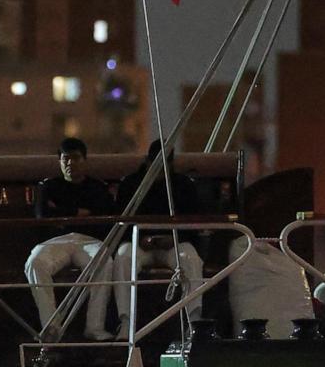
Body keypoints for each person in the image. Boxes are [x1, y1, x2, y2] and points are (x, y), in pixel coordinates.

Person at [26, 137, 116, 341]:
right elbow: (43, 215)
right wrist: (79, 212)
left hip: (89, 240)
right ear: (59, 161)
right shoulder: (48, 186)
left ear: (85, 160)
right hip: (56, 241)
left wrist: (61, 212)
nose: (70, 163)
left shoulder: (97, 187)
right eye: (65, 158)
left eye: (75, 158)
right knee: (35, 263)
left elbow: (104, 216)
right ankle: (51, 326)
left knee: (104, 262)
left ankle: (95, 327)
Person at [113, 140, 204, 339]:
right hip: (139, 243)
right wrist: (139, 239)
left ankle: (195, 322)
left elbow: (194, 221)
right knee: (123, 257)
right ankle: (126, 321)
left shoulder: (183, 185)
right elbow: (120, 221)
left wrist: (175, 237)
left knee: (191, 259)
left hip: (174, 243)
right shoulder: (130, 184)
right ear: (147, 161)